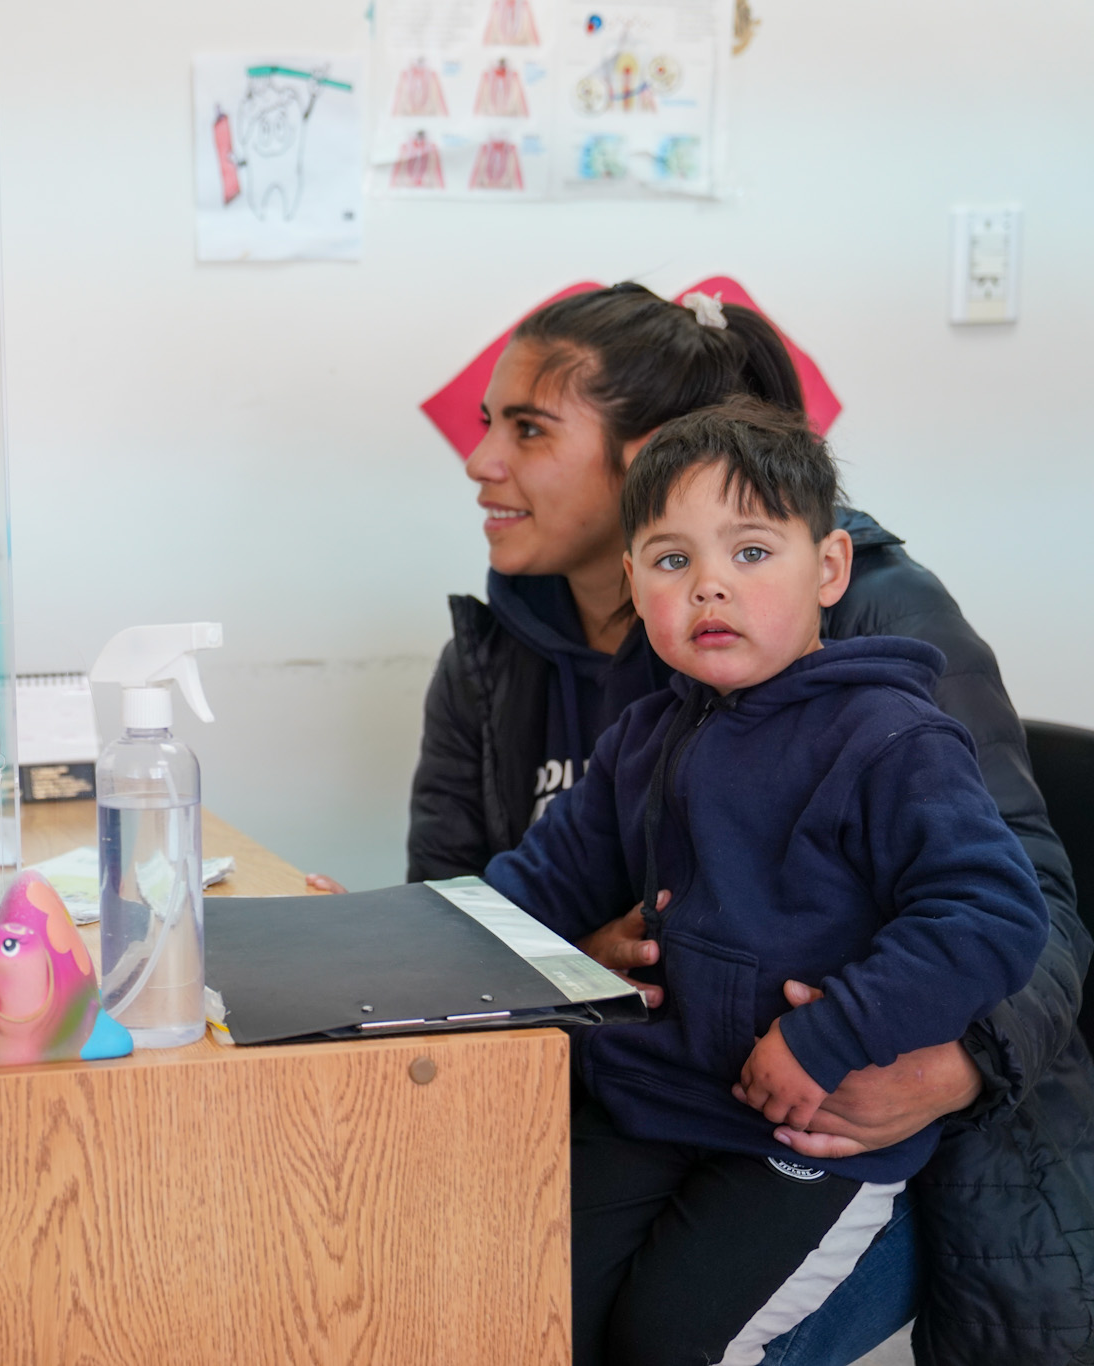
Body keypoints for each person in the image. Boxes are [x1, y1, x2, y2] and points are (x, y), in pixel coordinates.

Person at [376, 283, 1094, 1365]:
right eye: (672, 561)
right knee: (508, 1296)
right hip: (648, 1088)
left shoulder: (877, 688)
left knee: (670, 1333)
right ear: (638, 558)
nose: (481, 463)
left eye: (525, 428)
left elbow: (1011, 907)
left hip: (830, 1122)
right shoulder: (563, 682)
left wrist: (930, 1058)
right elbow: (495, 896)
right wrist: (371, 948)